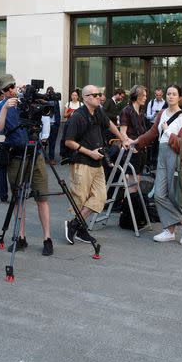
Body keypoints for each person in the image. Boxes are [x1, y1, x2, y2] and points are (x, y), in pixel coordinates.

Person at [0, 73, 54, 256]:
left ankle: (47, 238)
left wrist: (30, 97)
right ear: (1, 92)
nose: (11, 90)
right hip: (17, 156)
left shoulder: (25, 101)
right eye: (7, 89)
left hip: (36, 155)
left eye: (13, 86)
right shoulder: (0, 106)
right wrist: (5, 108)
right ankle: (20, 237)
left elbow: (45, 119)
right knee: (19, 198)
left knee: (42, 197)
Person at [64, 85, 132, 244]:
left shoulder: (99, 112)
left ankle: (74, 224)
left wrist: (123, 138)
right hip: (82, 162)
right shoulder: (77, 116)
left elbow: (109, 124)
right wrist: (89, 152)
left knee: (100, 198)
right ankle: (80, 229)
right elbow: (69, 141)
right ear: (86, 97)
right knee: (81, 199)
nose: (99, 97)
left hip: (97, 162)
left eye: (100, 94)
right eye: (95, 95)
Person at [133, 85, 182, 243]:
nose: (170, 96)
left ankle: (173, 229)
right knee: (159, 194)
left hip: (174, 156)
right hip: (162, 155)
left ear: (179, 97)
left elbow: (181, 144)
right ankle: (181, 226)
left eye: (174, 94)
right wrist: (136, 141)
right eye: (168, 93)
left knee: (171, 194)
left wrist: (168, 131)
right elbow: (152, 133)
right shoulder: (162, 113)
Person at [45, 86, 62, 165]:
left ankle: (51, 158)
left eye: (52, 91)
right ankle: (44, 157)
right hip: (46, 124)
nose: (50, 93)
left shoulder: (56, 100)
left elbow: (58, 112)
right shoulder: (44, 99)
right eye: (49, 91)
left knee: (52, 142)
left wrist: (58, 123)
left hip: (54, 124)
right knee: (44, 142)